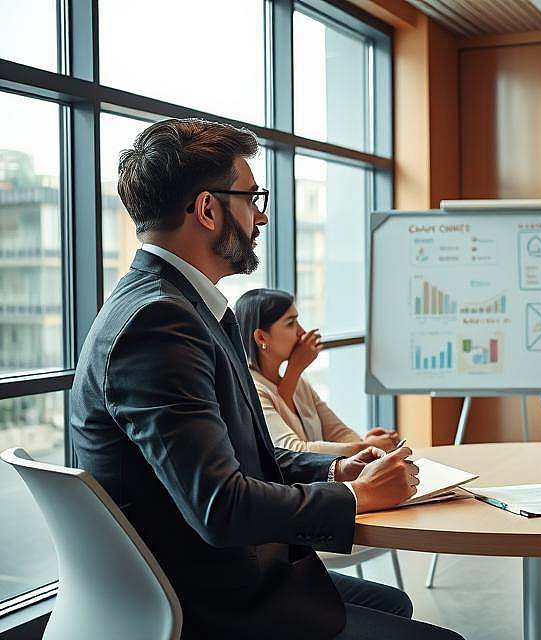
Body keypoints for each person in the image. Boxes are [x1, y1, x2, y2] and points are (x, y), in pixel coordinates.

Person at [70, 118, 463, 640]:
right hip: (213, 606)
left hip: (220, 580)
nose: (261, 215)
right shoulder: (160, 323)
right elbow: (221, 506)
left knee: (393, 602)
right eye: (252, 197)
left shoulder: (175, 307)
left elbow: (244, 453)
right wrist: (359, 498)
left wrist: (338, 468)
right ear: (208, 210)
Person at [236, 288, 399, 456]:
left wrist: (364, 444)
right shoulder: (253, 391)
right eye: (291, 323)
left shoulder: (300, 384)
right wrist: (364, 447)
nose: (302, 333)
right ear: (261, 338)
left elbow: (339, 433)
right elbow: (293, 451)